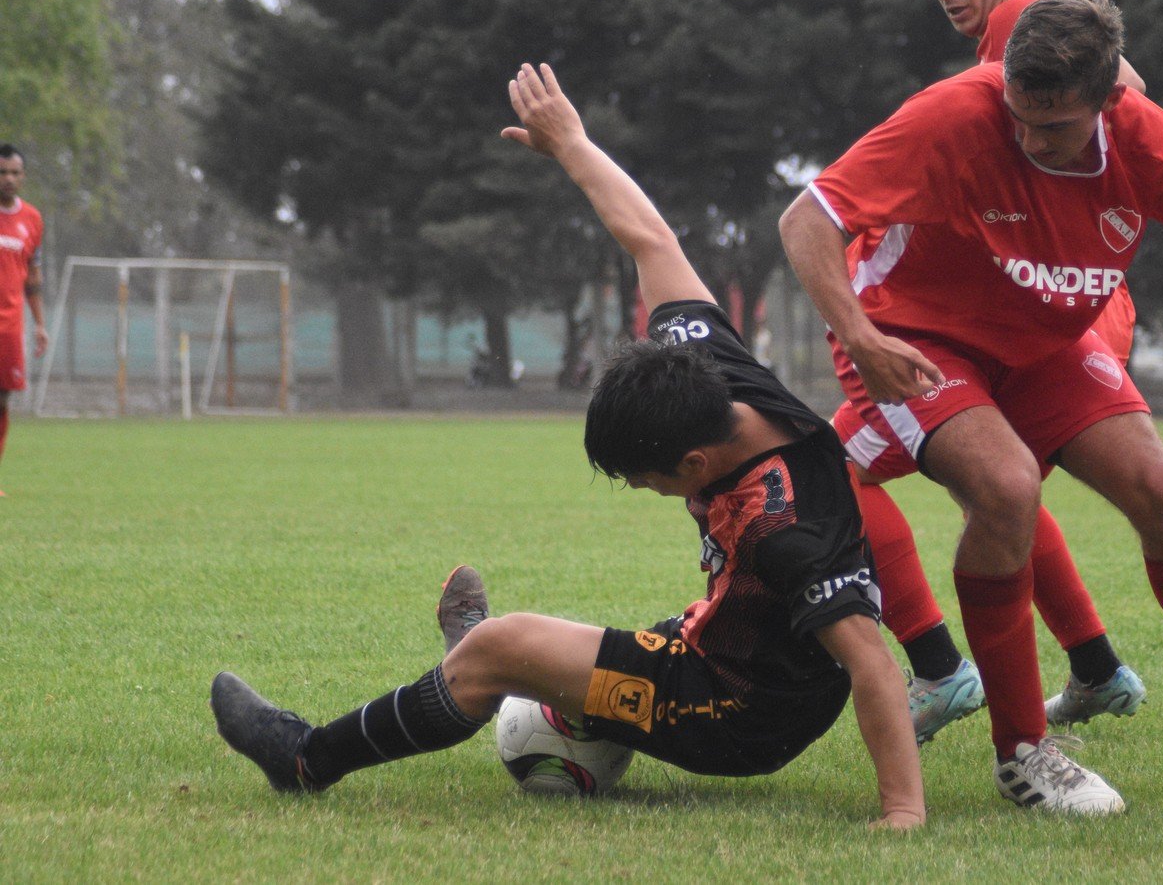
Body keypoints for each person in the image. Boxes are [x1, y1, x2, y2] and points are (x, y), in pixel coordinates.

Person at [210, 64, 925, 830]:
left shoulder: (788, 529)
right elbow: (651, 238)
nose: (650, 492)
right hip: (718, 638)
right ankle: (490, 662)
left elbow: (873, 663)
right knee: (538, 648)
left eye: (645, 480)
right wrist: (572, 143)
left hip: (737, 710)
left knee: (508, 643)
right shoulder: (711, 371)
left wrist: (901, 810)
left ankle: (304, 758)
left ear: (693, 465)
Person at [780, 0, 1163, 814]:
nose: (1026, 136)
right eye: (1017, 113)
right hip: (913, 336)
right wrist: (863, 341)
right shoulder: (951, 115)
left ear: (1110, 99)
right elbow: (806, 220)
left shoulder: (1151, 144)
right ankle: (1021, 751)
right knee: (1006, 486)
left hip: (1044, 344)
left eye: (1052, 125)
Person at [833, 0, 1151, 747]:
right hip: (1062, 305)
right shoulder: (1020, 32)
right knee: (997, 485)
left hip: (1053, 313)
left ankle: (942, 671)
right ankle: (1094, 667)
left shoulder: (1030, 28)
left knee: (830, 474)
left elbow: (1128, 96)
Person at [0, 144, 48, 499]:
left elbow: (33, 277)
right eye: (3, 172)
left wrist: (40, 324)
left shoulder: (32, 219)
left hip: (11, 327)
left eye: (15, 173)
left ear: (23, 176)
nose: (8, 179)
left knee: (2, 401)